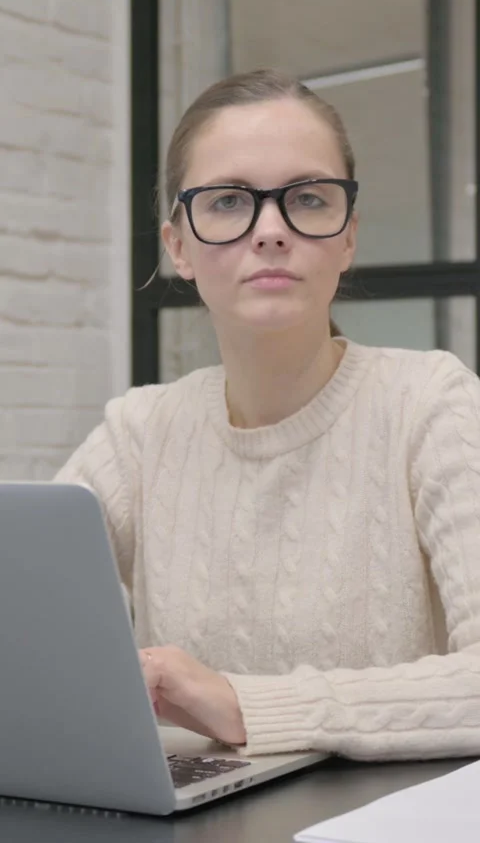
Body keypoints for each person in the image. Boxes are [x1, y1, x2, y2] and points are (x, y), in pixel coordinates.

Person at [54, 67, 480, 762]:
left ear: (348, 237)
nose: (272, 230)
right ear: (179, 246)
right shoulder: (139, 434)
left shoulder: (432, 403)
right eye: (228, 201)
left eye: (309, 198)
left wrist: (244, 703)